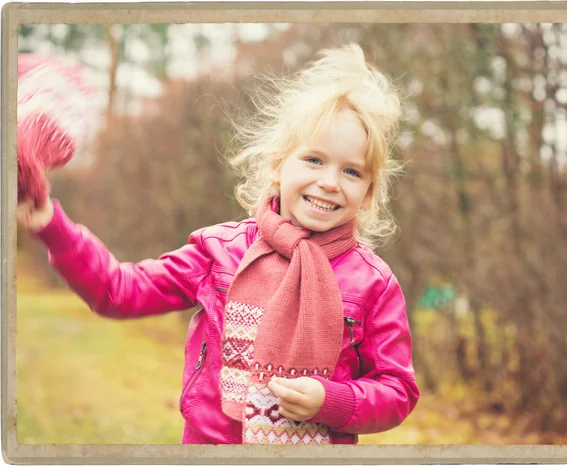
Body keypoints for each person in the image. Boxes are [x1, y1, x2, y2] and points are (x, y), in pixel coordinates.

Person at [17, 43, 420, 445]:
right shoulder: (219, 251)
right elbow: (118, 291)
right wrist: (53, 227)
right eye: (314, 160)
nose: (329, 182)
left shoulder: (374, 284)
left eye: (351, 171)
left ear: (367, 192)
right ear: (279, 165)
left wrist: (332, 401)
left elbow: (397, 390)